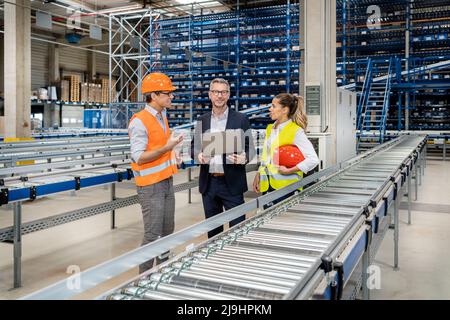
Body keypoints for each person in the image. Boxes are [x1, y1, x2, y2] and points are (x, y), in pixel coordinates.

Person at [128, 72, 183, 273]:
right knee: (152, 235)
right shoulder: (139, 121)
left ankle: (162, 272)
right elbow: (139, 157)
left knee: (168, 232)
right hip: (150, 186)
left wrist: (173, 153)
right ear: (154, 95)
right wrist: (167, 148)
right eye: (168, 93)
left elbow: (160, 147)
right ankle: (142, 280)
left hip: (166, 181)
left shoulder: (162, 116)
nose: (171, 97)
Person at [191, 78, 255, 238]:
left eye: (223, 92)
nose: (219, 95)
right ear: (210, 94)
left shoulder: (240, 119)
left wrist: (244, 158)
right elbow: (193, 147)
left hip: (232, 184)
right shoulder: (202, 120)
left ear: (228, 95)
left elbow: (251, 150)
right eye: (216, 92)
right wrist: (198, 155)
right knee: (213, 233)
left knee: (238, 229)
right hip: (209, 184)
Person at [253, 93, 319, 205]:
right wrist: (259, 174)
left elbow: (313, 159)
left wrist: (289, 170)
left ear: (285, 110)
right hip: (268, 186)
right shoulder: (270, 128)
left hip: (287, 188)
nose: (270, 109)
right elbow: (266, 157)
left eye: (274, 106)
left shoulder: (295, 131)